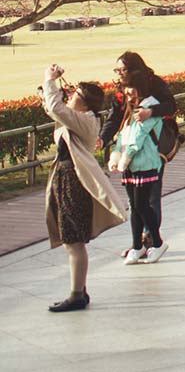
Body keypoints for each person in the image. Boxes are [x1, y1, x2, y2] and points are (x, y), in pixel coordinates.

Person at [43, 65, 126, 312]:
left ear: (85, 103)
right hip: (68, 181)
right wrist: (52, 85)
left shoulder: (86, 121)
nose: (69, 96)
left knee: (74, 241)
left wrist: (49, 80)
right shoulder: (82, 118)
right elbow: (53, 108)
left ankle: (77, 294)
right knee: (72, 239)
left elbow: (56, 108)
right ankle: (79, 291)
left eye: (74, 95)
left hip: (74, 184)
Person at [99, 51, 177, 264]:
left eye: (122, 70)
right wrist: (102, 140)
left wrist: (150, 112)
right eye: (117, 70)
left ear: (135, 70)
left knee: (149, 198)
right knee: (135, 202)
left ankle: (151, 241)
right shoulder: (121, 91)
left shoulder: (153, 85)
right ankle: (139, 243)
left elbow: (171, 106)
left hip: (154, 148)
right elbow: (115, 119)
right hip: (130, 154)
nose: (119, 74)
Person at [107, 93, 164, 266]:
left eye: (132, 91)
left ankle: (157, 243)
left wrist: (125, 159)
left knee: (142, 205)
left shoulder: (149, 110)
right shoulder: (129, 116)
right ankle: (137, 246)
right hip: (131, 167)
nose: (129, 95)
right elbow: (123, 138)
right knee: (134, 207)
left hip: (146, 164)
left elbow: (136, 140)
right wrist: (115, 156)